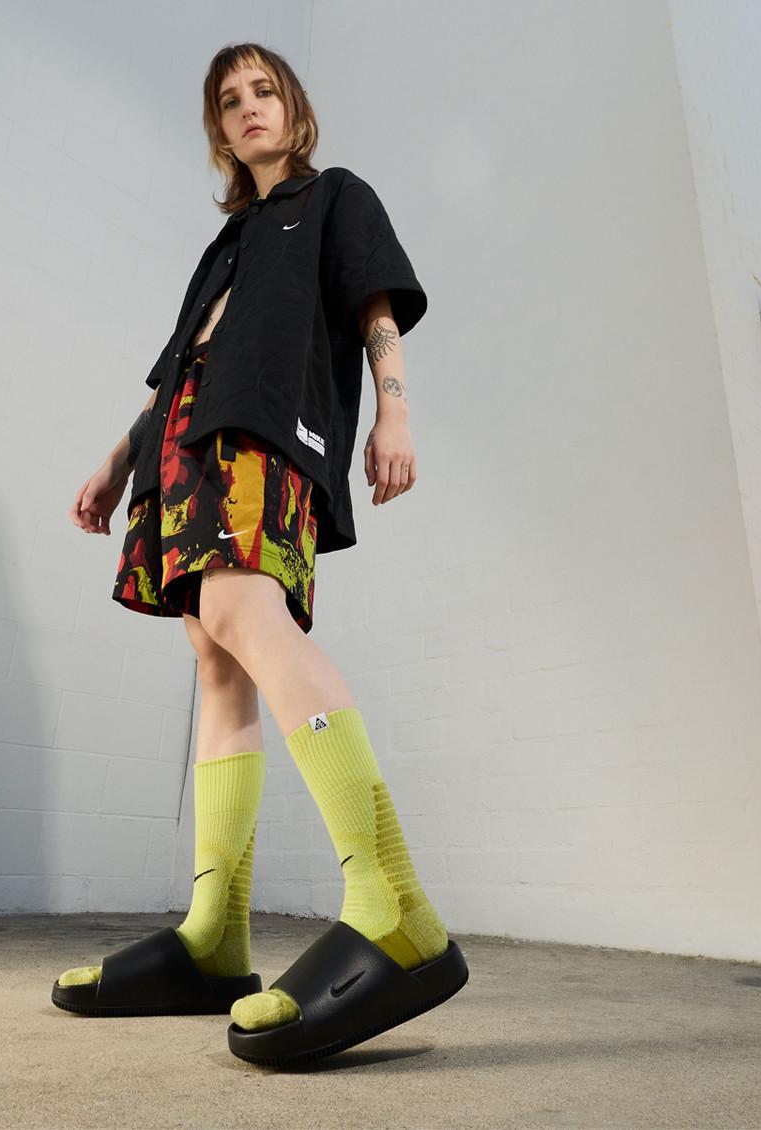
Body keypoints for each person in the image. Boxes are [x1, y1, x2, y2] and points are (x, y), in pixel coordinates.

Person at [55, 43, 467, 1065]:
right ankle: (215, 934)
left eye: (263, 91)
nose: (248, 109)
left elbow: (375, 311)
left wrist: (395, 412)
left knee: (246, 613)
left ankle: (391, 899)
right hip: (185, 441)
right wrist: (117, 460)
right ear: (219, 129)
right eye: (229, 100)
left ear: (294, 107)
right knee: (213, 651)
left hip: (264, 429)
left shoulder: (333, 197)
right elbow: (179, 368)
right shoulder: (228, 242)